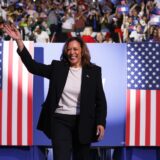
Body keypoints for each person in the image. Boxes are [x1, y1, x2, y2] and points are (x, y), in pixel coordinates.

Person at [2, 23, 107, 160]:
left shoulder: (94, 71)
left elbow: (100, 101)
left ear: (82, 50)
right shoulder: (58, 68)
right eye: (69, 49)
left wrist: (100, 122)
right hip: (60, 120)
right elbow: (33, 67)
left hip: (84, 122)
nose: (72, 52)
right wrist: (19, 41)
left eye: (75, 49)